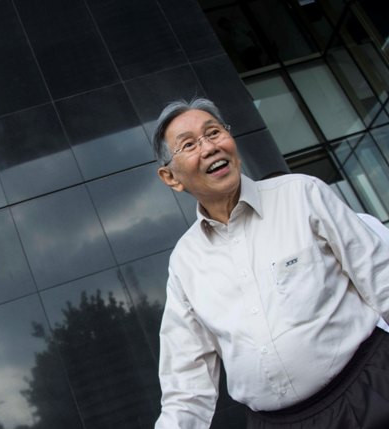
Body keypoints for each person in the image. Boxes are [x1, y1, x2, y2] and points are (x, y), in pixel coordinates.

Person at [152, 97, 389, 428]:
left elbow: (382, 278)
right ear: (171, 177)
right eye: (189, 144)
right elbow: (186, 387)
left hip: (370, 386)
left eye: (214, 132)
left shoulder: (302, 194)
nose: (209, 147)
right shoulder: (184, 262)